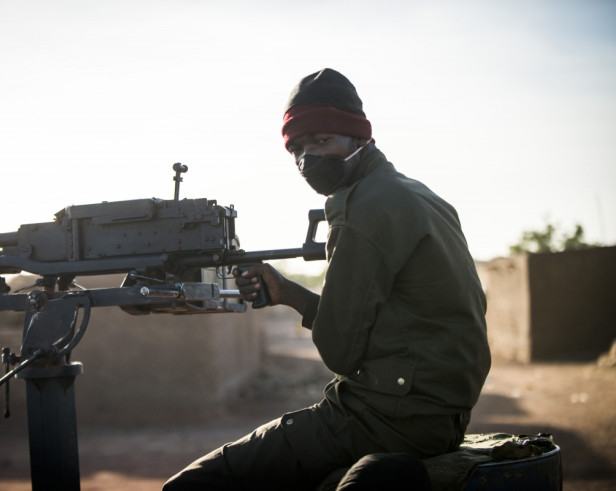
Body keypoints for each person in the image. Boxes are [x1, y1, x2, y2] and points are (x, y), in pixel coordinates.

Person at [162, 68, 491, 490]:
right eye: (297, 149)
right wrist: (290, 293)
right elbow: (391, 322)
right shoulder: (419, 195)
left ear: (360, 138)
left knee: (194, 485)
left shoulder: (361, 208)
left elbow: (340, 351)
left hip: (384, 418)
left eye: (322, 141)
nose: (308, 160)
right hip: (437, 416)